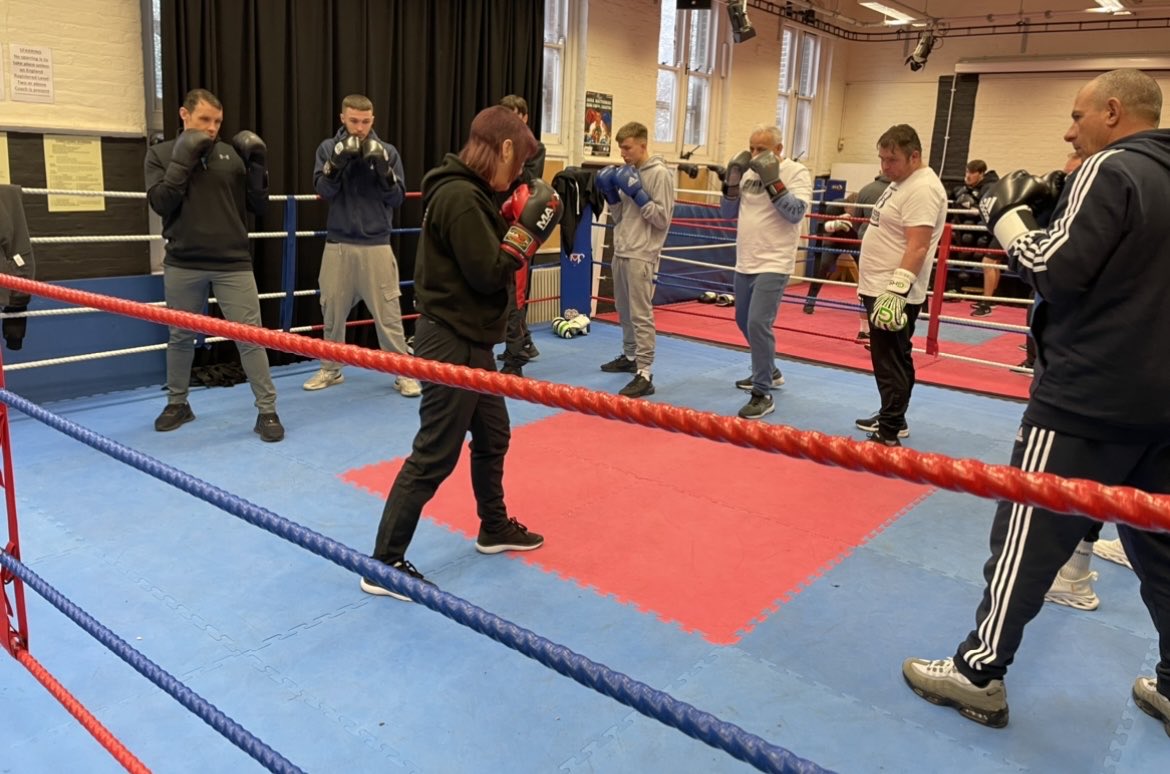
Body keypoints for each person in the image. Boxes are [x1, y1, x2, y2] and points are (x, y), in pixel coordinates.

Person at [902, 68, 1170, 734]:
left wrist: (1009, 215)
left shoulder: (1109, 169)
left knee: (1026, 539)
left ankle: (978, 672)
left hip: (1084, 397)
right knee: (1163, 553)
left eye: (1078, 115)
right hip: (1162, 406)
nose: (1069, 129)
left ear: (1112, 111)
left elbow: (1055, 269)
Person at [362, 106, 562, 600]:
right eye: (519, 165)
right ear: (507, 148)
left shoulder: (472, 196)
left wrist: (511, 222)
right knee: (435, 452)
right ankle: (383, 564)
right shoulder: (459, 197)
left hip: (472, 340)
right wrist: (526, 232)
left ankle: (492, 526)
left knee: (493, 434)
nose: (519, 177)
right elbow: (489, 273)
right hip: (450, 340)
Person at [144, 88, 284, 442]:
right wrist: (182, 161)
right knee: (180, 337)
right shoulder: (159, 154)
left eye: (217, 121)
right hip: (183, 262)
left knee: (251, 337)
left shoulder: (231, 155)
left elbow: (259, 206)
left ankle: (267, 410)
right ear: (184, 115)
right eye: (204, 119)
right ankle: (178, 403)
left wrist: (257, 168)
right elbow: (161, 202)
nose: (211, 128)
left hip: (232, 262)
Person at [301, 95, 420, 397]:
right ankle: (331, 369)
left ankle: (403, 372)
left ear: (373, 120)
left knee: (389, 314)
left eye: (365, 122)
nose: (360, 128)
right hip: (338, 243)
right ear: (343, 117)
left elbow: (397, 199)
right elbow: (323, 190)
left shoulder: (387, 152)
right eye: (354, 121)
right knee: (332, 311)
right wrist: (336, 164)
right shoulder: (328, 149)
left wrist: (384, 171)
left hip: (376, 245)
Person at [852, 125, 947, 446]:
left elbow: (918, 245)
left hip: (892, 291)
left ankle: (890, 431)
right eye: (881, 159)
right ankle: (893, 415)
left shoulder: (922, 189)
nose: (885, 167)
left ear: (915, 155)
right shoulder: (903, 182)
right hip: (880, 286)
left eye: (892, 160)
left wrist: (896, 290)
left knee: (891, 359)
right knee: (890, 356)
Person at [719, 126, 811, 420]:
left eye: (762, 149)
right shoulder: (747, 173)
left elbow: (795, 212)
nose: (755, 154)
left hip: (774, 260)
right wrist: (731, 184)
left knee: (758, 323)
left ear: (779, 149)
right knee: (743, 321)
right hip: (746, 259)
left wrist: (773, 180)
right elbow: (726, 214)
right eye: (752, 147)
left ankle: (762, 392)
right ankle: (768, 369)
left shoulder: (796, 172)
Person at [594, 122, 676, 398]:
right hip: (622, 249)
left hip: (642, 253)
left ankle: (645, 372)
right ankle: (630, 357)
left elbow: (663, 219)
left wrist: (639, 196)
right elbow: (619, 218)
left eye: (627, 147)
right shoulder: (625, 173)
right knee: (623, 309)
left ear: (643, 144)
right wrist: (612, 197)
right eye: (621, 148)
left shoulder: (659, 174)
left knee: (641, 314)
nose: (623, 153)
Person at [496, 94, 547, 377]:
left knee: (515, 292)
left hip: (521, 225)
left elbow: (528, 181)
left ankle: (515, 360)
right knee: (499, 289)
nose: (511, 120)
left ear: (525, 117)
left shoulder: (533, 148)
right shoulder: (494, 144)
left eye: (516, 115)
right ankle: (524, 342)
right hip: (497, 219)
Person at [822, 173, 891, 342]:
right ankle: (867, 330)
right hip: (867, 247)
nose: (850, 211)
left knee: (868, 288)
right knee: (870, 289)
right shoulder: (845, 215)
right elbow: (826, 227)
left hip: (864, 245)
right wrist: (841, 223)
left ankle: (868, 330)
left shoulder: (867, 200)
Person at [949, 160, 1002, 317]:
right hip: (998, 228)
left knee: (988, 263)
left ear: (981, 174)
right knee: (994, 264)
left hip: (999, 228)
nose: (968, 176)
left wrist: (972, 208)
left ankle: (986, 304)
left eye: (972, 173)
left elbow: (987, 209)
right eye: (967, 172)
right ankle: (990, 300)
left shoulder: (990, 187)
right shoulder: (975, 188)